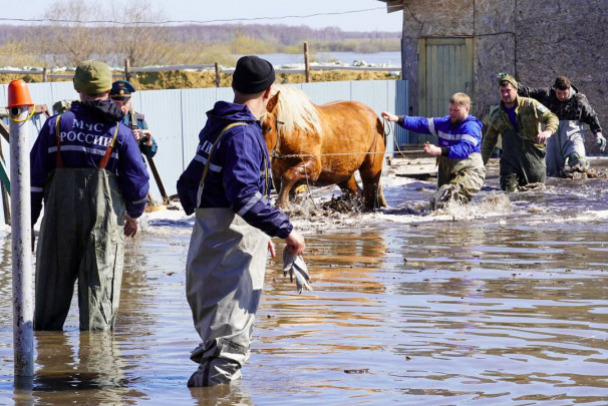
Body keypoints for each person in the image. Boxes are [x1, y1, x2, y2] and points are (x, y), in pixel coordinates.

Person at [177, 55, 306, 387]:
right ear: (269, 93)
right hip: (229, 256)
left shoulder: (217, 125)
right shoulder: (243, 135)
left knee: (216, 343)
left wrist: (256, 231)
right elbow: (244, 197)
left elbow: (187, 187)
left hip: (208, 250)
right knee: (229, 348)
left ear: (235, 86)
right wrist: (285, 229)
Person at [30, 60, 150, 331]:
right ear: (108, 89)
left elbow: (33, 180)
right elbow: (139, 181)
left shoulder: (56, 126)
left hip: (58, 226)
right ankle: (95, 369)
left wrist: (28, 222)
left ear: (77, 88)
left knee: (49, 302)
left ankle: (47, 363)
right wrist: (133, 214)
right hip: (103, 228)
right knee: (100, 304)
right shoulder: (119, 131)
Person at [382, 92, 486, 208]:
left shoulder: (471, 127)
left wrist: (439, 151)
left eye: (456, 111)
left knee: (449, 198)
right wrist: (397, 119)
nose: (452, 114)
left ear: (467, 109)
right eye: (450, 110)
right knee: (437, 205)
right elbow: (421, 123)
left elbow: (464, 149)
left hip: (471, 172)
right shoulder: (444, 123)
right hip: (449, 173)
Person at [481, 73, 559, 191]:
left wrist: (547, 132)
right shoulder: (496, 114)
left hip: (533, 160)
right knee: (510, 194)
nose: (505, 94)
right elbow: (489, 141)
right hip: (509, 163)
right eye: (502, 91)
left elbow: (551, 117)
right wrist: (479, 164)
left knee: (536, 196)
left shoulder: (530, 104)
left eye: (508, 90)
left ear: (516, 89)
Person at [518, 75, 605, 176]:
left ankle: (578, 188)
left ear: (569, 89)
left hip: (573, 136)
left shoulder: (579, 99)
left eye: (565, 93)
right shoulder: (547, 95)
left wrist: (598, 134)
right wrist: (510, 82)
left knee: (580, 163)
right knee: (552, 172)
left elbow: (591, 117)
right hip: (553, 138)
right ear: (555, 89)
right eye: (559, 93)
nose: (562, 96)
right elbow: (527, 91)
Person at [110, 80, 158, 158]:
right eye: (117, 103)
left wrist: (147, 140)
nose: (121, 107)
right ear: (110, 102)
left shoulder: (136, 120)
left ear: (130, 102)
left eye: (125, 103)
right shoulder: (103, 119)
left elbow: (151, 153)